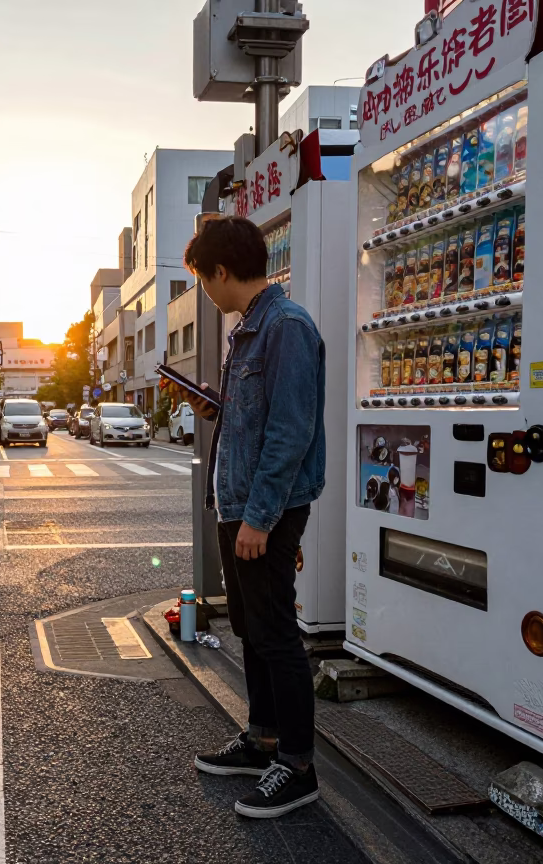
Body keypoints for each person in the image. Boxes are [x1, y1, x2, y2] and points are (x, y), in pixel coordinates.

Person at [183, 218, 326, 819]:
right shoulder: (250, 331)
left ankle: (297, 765)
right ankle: (262, 737)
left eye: (201, 279)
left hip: (265, 510)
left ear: (221, 270)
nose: (205, 293)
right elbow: (255, 420)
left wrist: (262, 520)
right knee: (250, 627)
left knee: (276, 634)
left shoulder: (286, 328)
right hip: (240, 504)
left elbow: (291, 432)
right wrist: (210, 405)